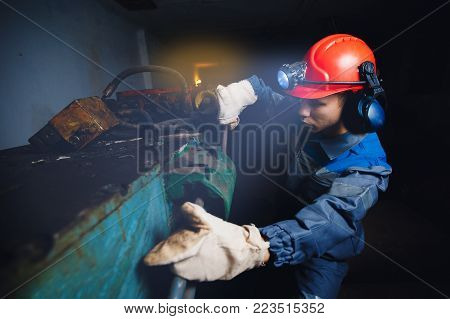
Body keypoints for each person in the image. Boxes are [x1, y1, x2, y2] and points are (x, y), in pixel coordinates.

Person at [145, 34, 392, 299]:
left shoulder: (368, 168)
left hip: (322, 251)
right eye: (302, 99)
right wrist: (242, 92)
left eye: (317, 102)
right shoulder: (309, 117)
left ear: (356, 106)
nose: (302, 112)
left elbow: (333, 217)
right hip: (278, 220)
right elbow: (262, 90)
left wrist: (257, 246)